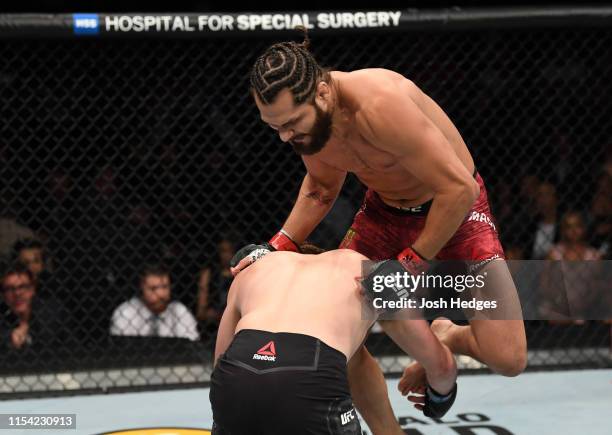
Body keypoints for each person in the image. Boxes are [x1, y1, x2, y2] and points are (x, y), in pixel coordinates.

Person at [232, 32, 526, 433]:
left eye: (291, 123)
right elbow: (320, 188)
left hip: (457, 210)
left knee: (509, 358)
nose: (285, 137)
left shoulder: (380, 104)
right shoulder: (311, 128)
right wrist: (277, 246)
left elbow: (460, 189)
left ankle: (448, 334)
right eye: (274, 127)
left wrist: (409, 265)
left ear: (321, 92)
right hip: (384, 214)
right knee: (341, 334)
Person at [211, 246, 457, 434]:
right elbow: (442, 366)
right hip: (311, 372)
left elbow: (220, 362)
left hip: (237, 372)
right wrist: (440, 398)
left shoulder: (254, 269)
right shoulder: (364, 269)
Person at [110, 264, 200, 341]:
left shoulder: (179, 311)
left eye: (165, 287)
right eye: (153, 288)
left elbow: (194, 345)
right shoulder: (125, 313)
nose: (161, 294)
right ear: (141, 288)